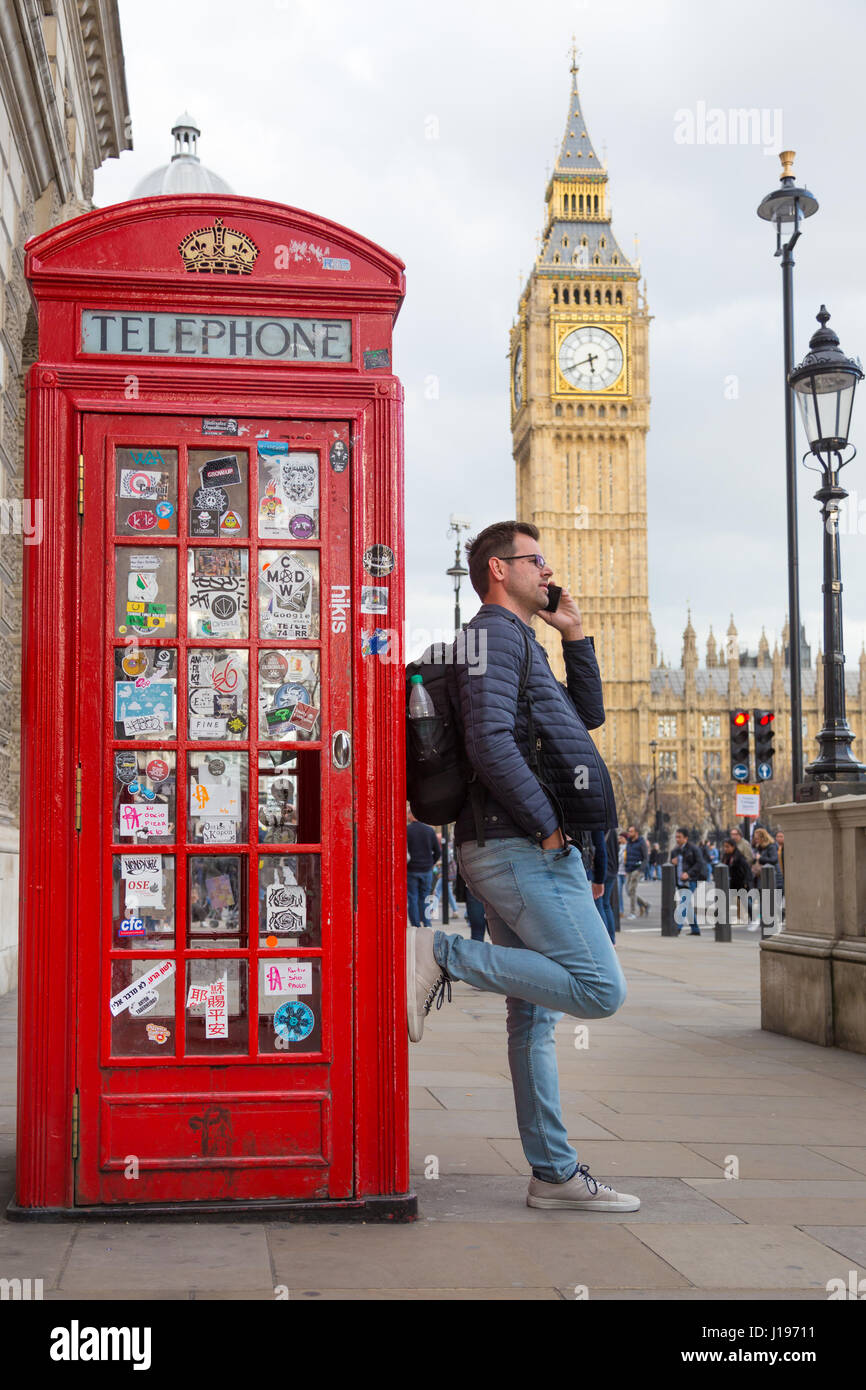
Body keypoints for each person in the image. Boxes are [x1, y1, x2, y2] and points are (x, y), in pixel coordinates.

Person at [406, 519, 637, 1213]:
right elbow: (487, 739)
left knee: (531, 1021)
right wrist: (545, 827)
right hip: (517, 843)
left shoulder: (519, 639)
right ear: (499, 570)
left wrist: (574, 636)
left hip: (510, 843)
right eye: (536, 561)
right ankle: (439, 953)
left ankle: (553, 1175)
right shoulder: (494, 635)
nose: (549, 572)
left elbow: (585, 716)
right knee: (600, 990)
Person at [406, 810, 440, 928]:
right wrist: (431, 863)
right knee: (425, 897)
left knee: (412, 897)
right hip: (426, 869)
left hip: (411, 869)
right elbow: (438, 851)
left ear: (410, 815)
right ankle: (427, 923)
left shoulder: (407, 830)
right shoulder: (429, 830)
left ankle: (415, 924)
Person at [670, 827, 704, 935]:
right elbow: (671, 865)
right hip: (679, 881)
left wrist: (688, 873)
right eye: (676, 837)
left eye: (679, 837)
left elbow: (699, 864)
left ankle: (677, 927)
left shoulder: (693, 849)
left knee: (684, 903)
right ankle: (695, 929)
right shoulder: (675, 851)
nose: (677, 839)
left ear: (686, 838)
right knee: (687, 904)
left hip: (690, 880)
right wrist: (672, 863)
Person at [751, 827, 782, 932]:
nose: (756, 840)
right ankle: (764, 919)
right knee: (762, 898)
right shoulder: (759, 848)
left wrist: (760, 859)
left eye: (757, 838)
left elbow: (773, 860)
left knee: (770, 899)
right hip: (761, 876)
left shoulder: (771, 846)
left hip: (771, 875)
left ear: (763, 838)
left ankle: (775, 917)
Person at [624, 825, 650, 918]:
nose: (629, 833)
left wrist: (640, 870)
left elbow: (646, 858)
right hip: (629, 870)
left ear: (636, 833)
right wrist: (626, 868)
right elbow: (627, 856)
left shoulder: (641, 842)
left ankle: (632, 912)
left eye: (631, 831)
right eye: (629, 831)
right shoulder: (629, 842)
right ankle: (645, 904)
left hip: (637, 870)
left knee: (632, 890)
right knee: (628, 891)